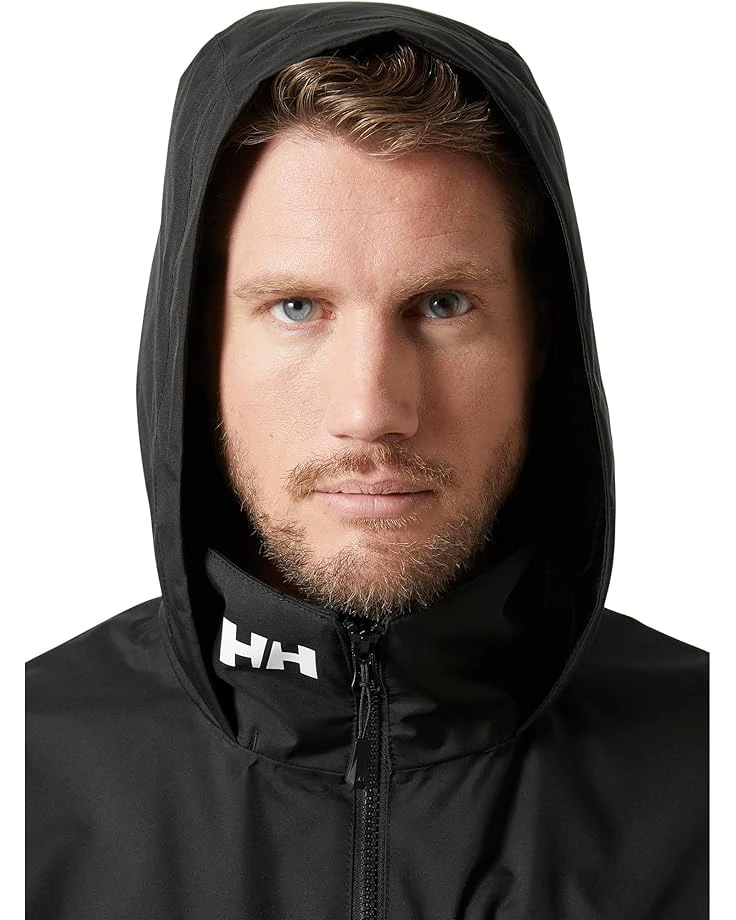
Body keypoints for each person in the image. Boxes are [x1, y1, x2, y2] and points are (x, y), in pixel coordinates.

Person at [25, 3, 708, 918]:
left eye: (443, 305)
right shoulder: (27, 778)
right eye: (296, 308)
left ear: (540, 340)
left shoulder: (710, 774)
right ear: (198, 345)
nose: (372, 412)